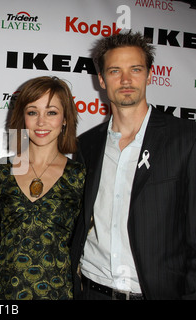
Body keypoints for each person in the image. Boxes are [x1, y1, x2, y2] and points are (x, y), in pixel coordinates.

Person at [71, 31, 196, 300]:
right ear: (101, 80)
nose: (126, 80)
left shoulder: (186, 138)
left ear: (150, 75)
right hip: (93, 291)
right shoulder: (87, 145)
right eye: (115, 71)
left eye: (135, 69)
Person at [0, 76, 85, 300]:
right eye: (32, 112)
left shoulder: (80, 175)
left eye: (51, 112)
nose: (41, 122)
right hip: (4, 292)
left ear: (65, 118)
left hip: (58, 292)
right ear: (22, 118)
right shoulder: (0, 170)